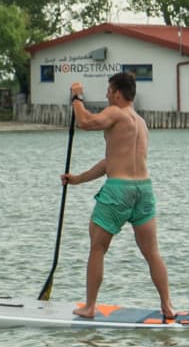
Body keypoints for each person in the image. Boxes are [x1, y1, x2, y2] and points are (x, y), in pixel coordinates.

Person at [61, 71, 177, 321]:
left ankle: (90, 307)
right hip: (143, 190)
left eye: (108, 91)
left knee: (97, 248)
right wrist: (78, 178)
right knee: (152, 252)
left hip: (119, 191)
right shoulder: (141, 123)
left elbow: (86, 123)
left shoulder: (116, 112)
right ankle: (168, 305)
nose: (105, 95)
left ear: (117, 93)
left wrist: (77, 98)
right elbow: (111, 161)